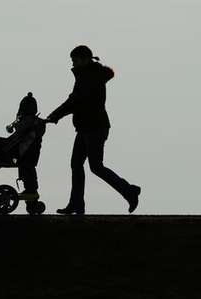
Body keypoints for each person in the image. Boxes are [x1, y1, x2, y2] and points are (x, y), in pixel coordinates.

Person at [46, 45, 141, 215]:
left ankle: (129, 191)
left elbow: (75, 101)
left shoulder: (90, 77)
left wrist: (55, 115)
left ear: (84, 59)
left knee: (96, 166)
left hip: (95, 127)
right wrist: (56, 115)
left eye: (75, 60)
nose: (73, 63)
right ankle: (76, 204)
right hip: (85, 127)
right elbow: (75, 100)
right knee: (77, 164)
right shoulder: (87, 75)